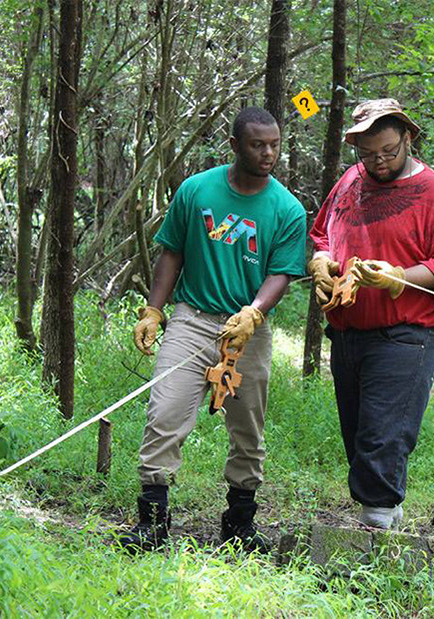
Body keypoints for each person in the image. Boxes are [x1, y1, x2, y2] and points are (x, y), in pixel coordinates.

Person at [119, 107, 307, 553]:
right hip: (192, 319)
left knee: (248, 432)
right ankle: (153, 522)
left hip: (248, 331)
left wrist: (254, 313)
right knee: (164, 416)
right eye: (258, 144)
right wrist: (154, 310)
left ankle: (239, 525)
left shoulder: (287, 209)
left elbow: (281, 272)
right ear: (235, 146)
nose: (268, 153)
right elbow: (172, 252)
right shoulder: (196, 190)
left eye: (275, 144)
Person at [309, 98, 434, 529]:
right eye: (368, 154)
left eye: (388, 151)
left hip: (408, 334)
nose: (378, 162)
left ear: (408, 138)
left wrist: (400, 277)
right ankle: (381, 517)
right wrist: (322, 262)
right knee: (359, 432)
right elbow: (322, 232)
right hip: (348, 331)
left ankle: (377, 531)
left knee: (383, 435)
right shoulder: (350, 180)